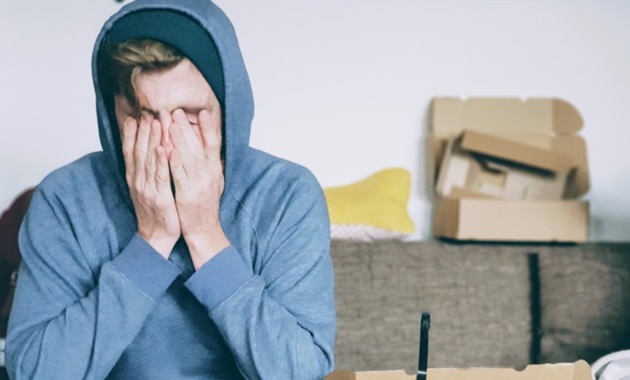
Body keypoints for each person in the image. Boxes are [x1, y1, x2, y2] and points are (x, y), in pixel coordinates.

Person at [5, 1, 336, 379]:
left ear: (229, 108)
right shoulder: (65, 198)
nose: (166, 142)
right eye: (143, 117)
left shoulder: (286, 195)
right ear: (112, 117)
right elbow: (35, 374)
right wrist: (151, 241)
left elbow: (300, 374)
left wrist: (204, 233)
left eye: (190, 115)